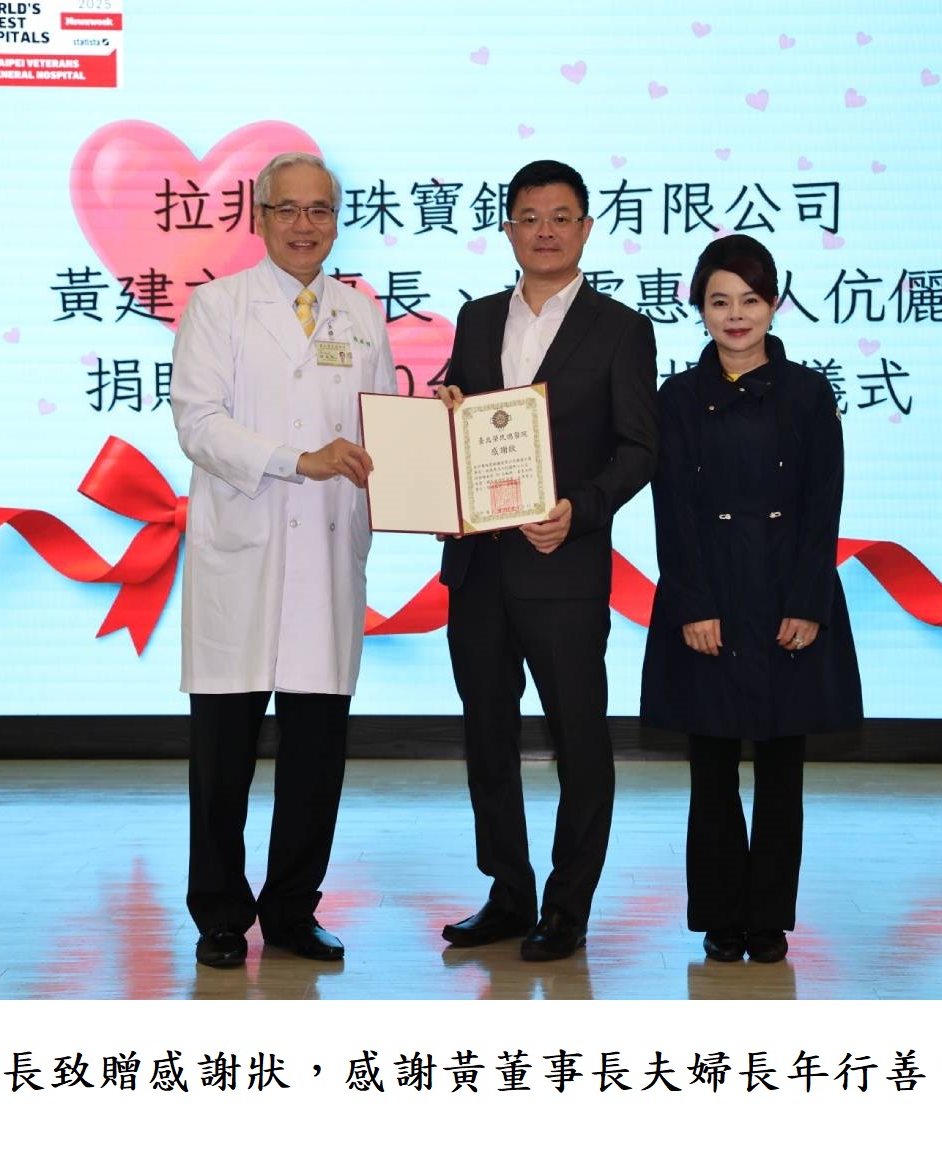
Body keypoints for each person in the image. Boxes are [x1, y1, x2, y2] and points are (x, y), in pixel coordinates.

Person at [170, 152, 396, 968]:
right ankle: (221, 917)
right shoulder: (218, 306)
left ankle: (294, 911)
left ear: (337, 221)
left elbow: (382, 428)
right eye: (288, 209)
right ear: (259, 218)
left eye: (320, 210)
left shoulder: (360, 313)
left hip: (329, 555)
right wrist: (296, 460)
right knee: (223, 757)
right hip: (243, 550)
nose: (305, 225)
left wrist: (436, 439)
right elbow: (198, 424)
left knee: (315, 756)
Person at [433, 159, 659, 960]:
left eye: (562, 217)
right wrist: (443, 412)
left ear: (586, 228)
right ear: (508, 230)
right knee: (487, 738)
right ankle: (508, 893)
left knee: (580, 740)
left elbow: (640, 448)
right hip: (480, 569)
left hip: (563, 567)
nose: (545, 232)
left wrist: (579, 511)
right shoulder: (476, 319)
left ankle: (566, 907)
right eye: (529, 218)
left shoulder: (621, 328)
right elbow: (461, 423)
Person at [640, 234, 862, 964]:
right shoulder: (677, 397)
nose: (735, 316)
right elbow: (672, 510)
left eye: (750, 300)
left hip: (785, 592)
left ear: (773, 304)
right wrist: (692, 603)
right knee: (710, 769)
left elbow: (823, 505)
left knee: (781, 768)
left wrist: (808, 601)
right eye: (719, 301)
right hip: (709, 593)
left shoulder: (808, 393)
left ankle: (768, 917)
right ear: (699, 309)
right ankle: (718, 916)